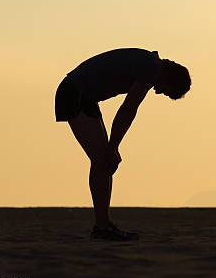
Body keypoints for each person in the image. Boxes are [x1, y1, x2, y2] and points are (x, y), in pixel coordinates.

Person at [55, 48, 191, 241]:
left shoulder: (150, 64)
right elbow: (128, 110)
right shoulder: (151, 68)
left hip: (84, 97)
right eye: (165, 90)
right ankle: (101, 227)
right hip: (73, 93)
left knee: (105, 162)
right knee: (102, 160)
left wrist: (112, 147)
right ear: (169, 76)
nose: (158, 91)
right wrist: (113, 147)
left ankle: (104, 223)